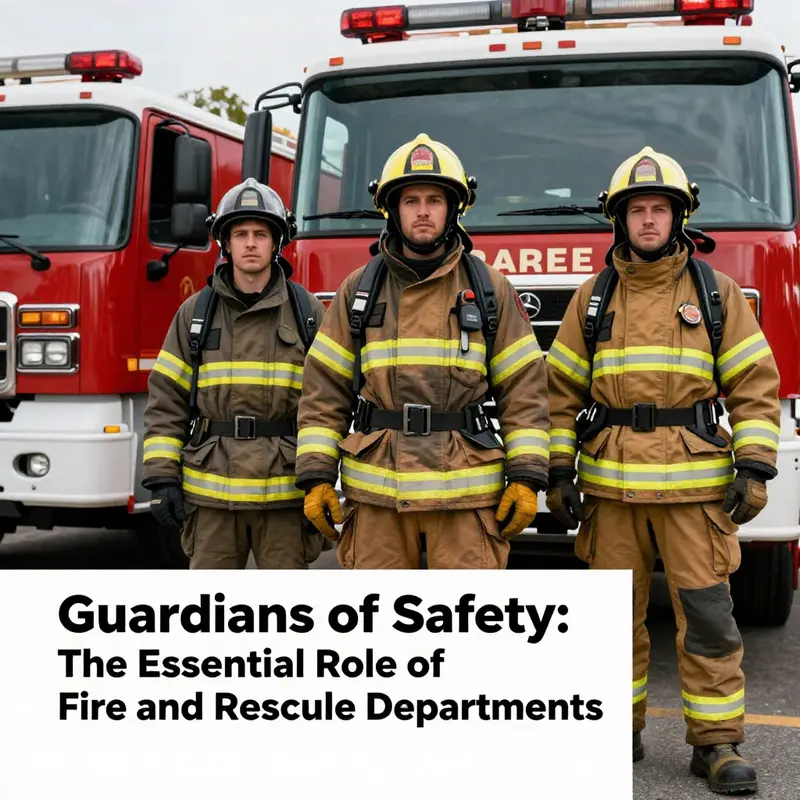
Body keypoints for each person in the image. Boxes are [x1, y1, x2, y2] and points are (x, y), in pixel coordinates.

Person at [545, 146, 780, 795]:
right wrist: (560, 471)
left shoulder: (716, 294)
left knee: (707, 617)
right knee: (611, 619)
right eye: (637, 211)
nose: (648, 221)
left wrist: (754, 466)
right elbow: (560, 390)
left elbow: (755, 385)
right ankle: (618, 727)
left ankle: (717, 743)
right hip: (613, 489)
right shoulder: (593, 300)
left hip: (695, 492)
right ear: (618, 221)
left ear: (679, 218)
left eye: (659, 210)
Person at [295, 133, 550, 569]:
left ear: (453, 208)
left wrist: (526, 477)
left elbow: (524, 392)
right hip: (378, 502)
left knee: (468, 625)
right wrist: (317, 474)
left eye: (435, 199)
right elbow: (324, 392)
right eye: (411, 200)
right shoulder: (358, 289)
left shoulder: (490, 288)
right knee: (383, 628)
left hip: (465, 500)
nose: (424, 211)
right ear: (393, 210)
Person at [141, 178, 326, 570]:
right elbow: (166, 400)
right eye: (240, 233)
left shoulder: (308, 312)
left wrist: (321, 476)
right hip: (211, 500)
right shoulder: (195, 313)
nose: (250, 243)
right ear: (225, 243)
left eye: (261, 233)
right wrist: (161, 479)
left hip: (284, 496)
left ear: (277, 241)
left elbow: (326, 403)